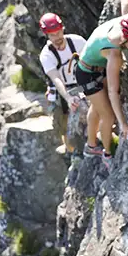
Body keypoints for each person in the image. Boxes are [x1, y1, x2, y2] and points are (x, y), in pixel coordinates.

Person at [75, 0, 128, 164]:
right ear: (126, 39)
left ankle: (91, 145)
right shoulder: (114, 54)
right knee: (108, 115)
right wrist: (123, 123)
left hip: (91, 64)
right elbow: (112, 91)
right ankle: (106, 154)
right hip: (87, 74)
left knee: (97, 107)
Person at [38, 13, 87, 155]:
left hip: (81, 81)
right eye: (52, 35)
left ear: (63, 28)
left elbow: (91, 61)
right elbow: (56, 78)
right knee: (61, 117)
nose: (57, 38)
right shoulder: (47, 55)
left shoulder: (77, 42)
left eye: (58, 32)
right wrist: (68, 98)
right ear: (46, 35)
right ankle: (69, 147)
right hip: (61, 88)